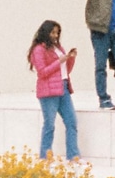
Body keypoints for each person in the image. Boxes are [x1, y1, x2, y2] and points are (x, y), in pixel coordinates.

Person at [29, 20, 79, 160]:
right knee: (49, 125)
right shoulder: (39, 49)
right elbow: (42, 72)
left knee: (71, 122)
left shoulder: (58, 47)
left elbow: (65, 70)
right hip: (48, 92)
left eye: (57, 33)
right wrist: (60, 61)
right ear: (46, 32)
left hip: (63, 88)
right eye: (53, 32)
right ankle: (45, 156)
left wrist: (70, 58)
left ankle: (73, 156)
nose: (55, 35)